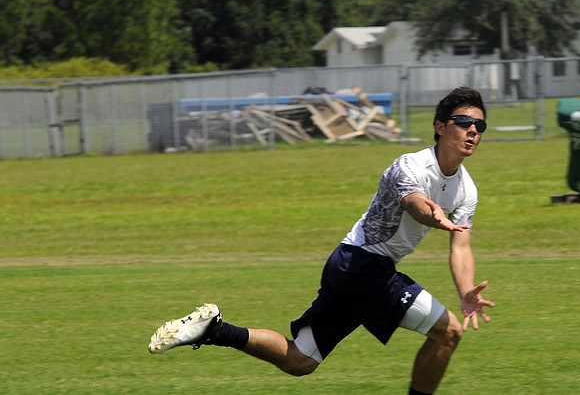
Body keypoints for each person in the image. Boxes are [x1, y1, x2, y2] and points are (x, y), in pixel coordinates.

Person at [148, 86, 495, 394]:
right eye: (464, 122)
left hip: (352, 267)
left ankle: (214, 330)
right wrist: (431, 215)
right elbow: (415, 204)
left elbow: (461, 246)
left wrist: (466, 292)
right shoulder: (410, 165)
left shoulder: (467, 190)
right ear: (440, 126)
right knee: (448, 332)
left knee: (300, 360)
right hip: (363, 265)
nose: (472, 131)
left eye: (479, 126)